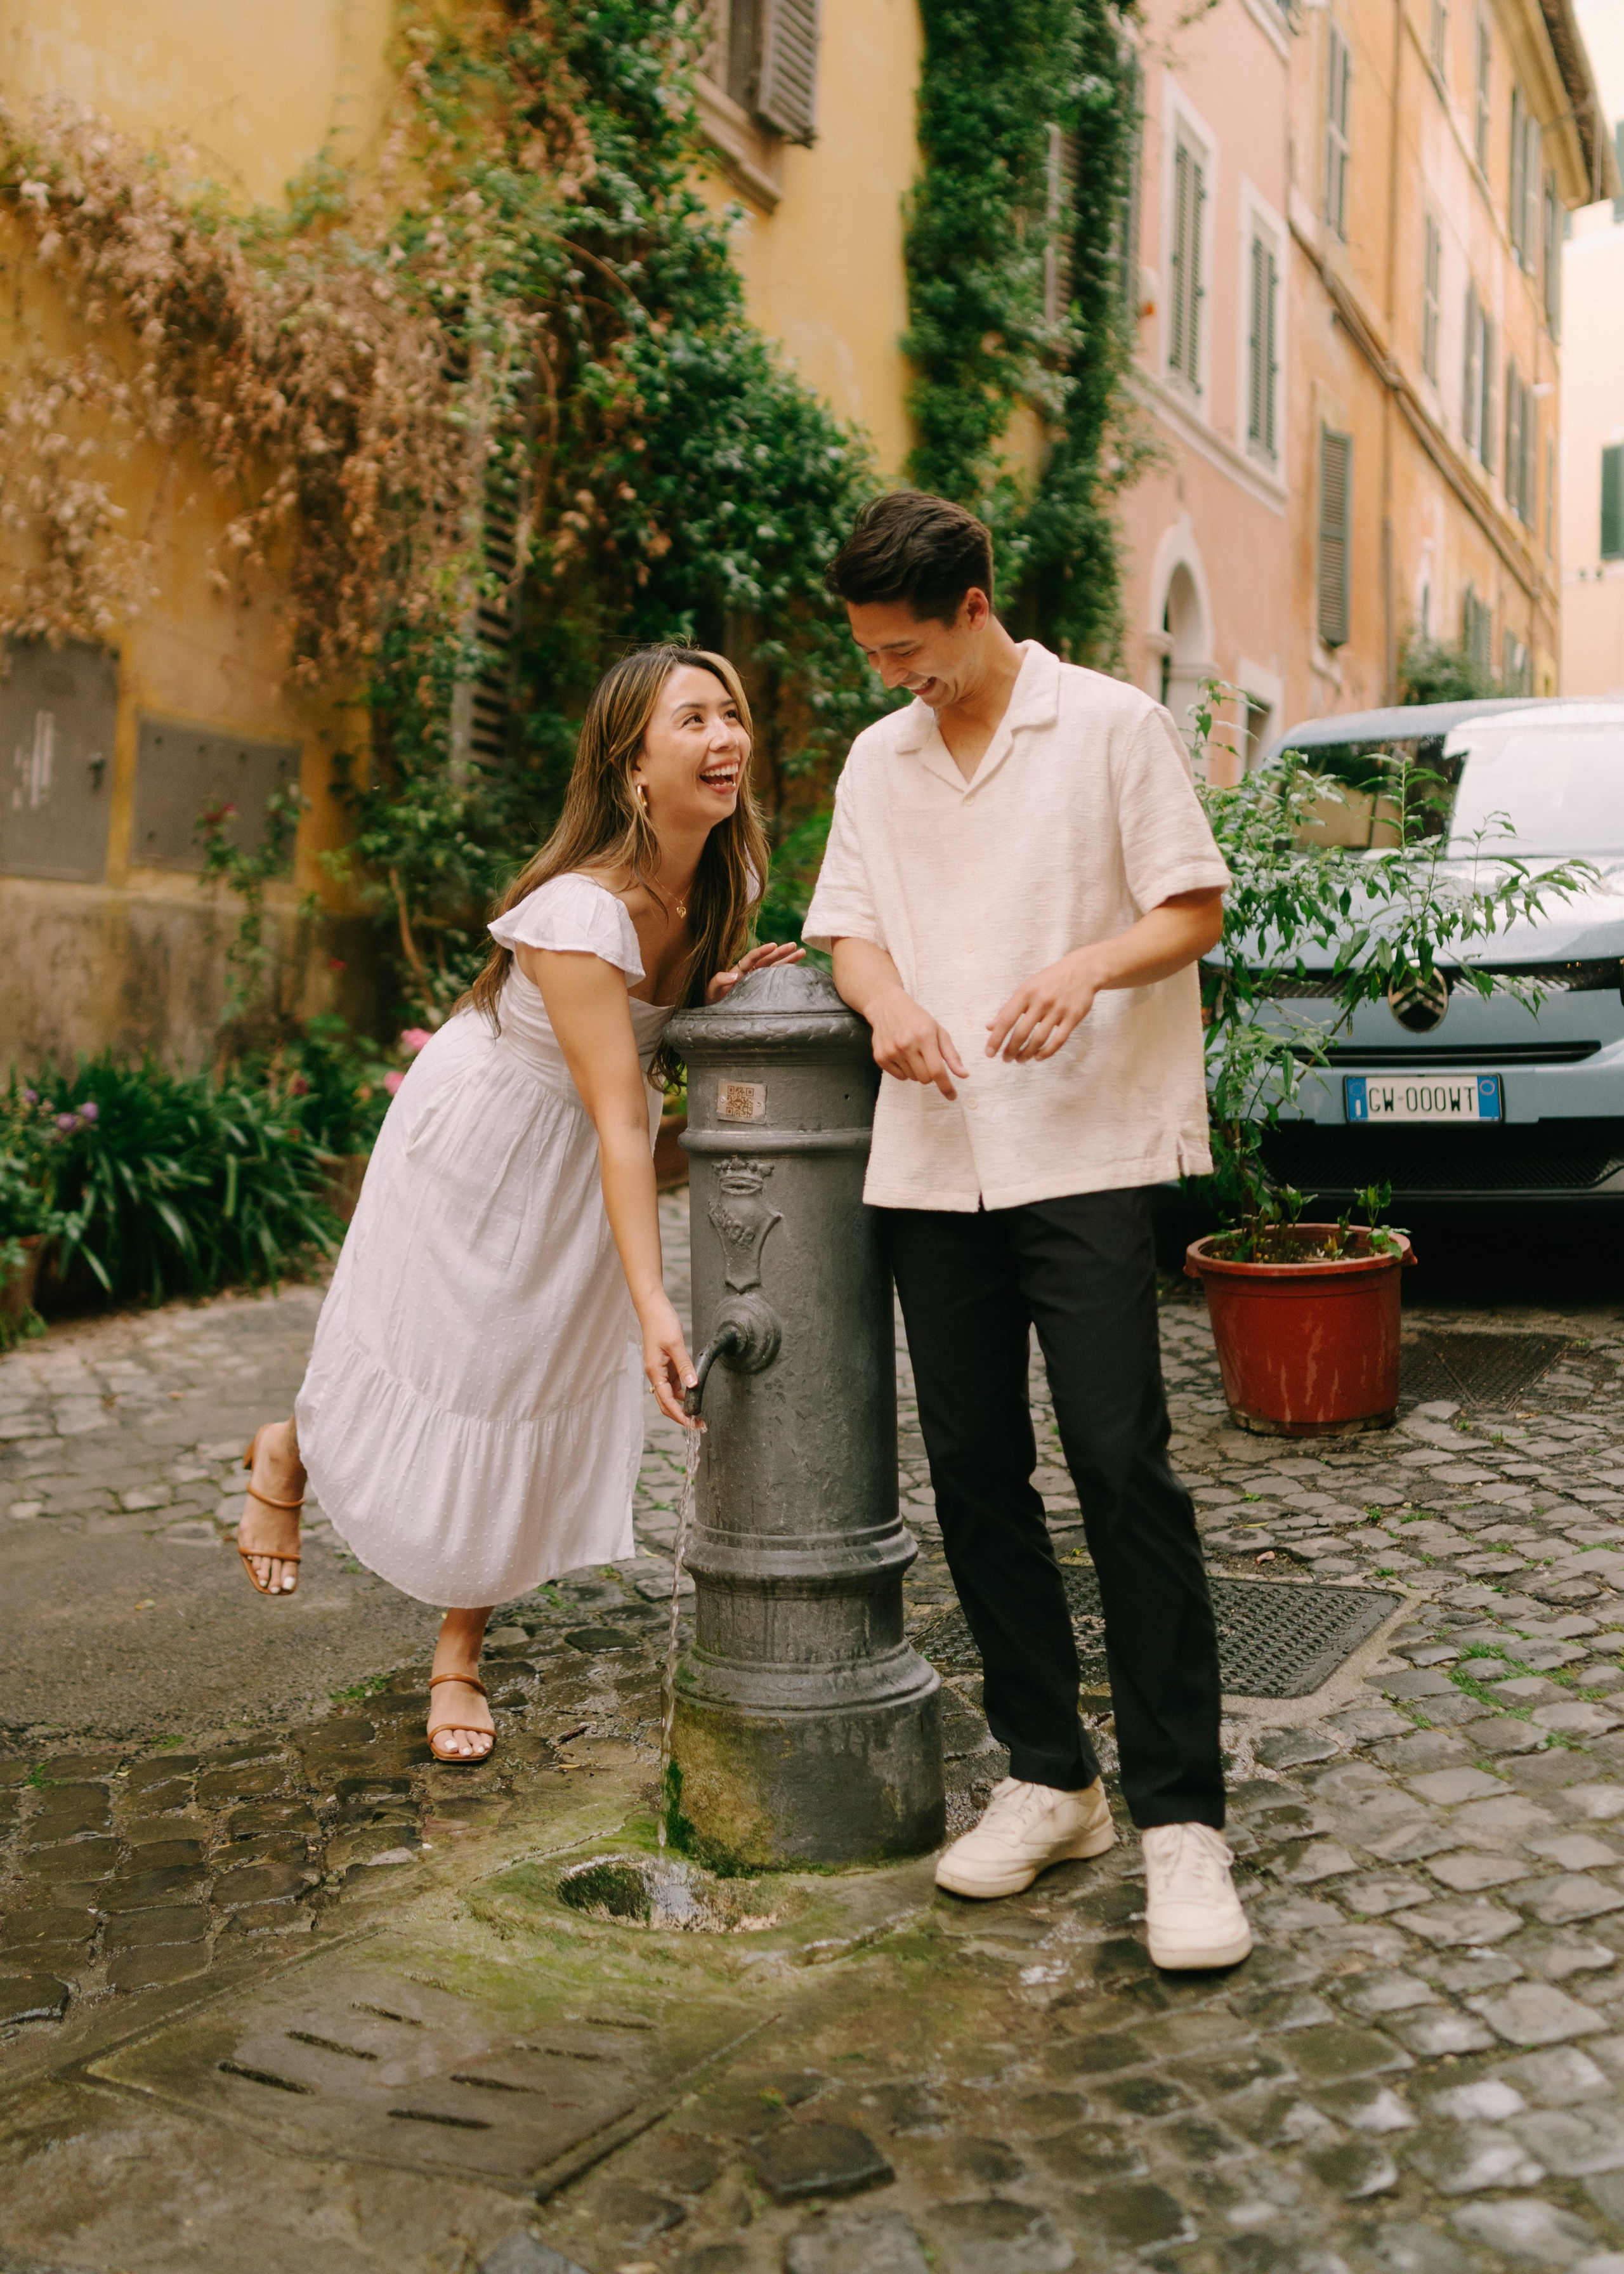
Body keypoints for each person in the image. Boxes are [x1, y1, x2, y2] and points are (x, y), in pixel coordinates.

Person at [803, 491, 1249, 1971]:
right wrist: (887, 1006)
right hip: (933, 1156)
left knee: (1121, 1460)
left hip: (1086, 1146)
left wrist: (1084, 962)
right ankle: (1050, 1776)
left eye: (908, 647)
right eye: (872, 653)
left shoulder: (1113, 725)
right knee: (975, 1470)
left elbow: (1193, 905)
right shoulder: (878, 758)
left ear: (976, 602)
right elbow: (848, 924)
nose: (892, 677)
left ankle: (1182, 1819)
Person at [238, 645, 802, 1762]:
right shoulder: (578, 912)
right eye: (692, 719)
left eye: (730, 714)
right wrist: (656, 1300)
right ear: (634, 766)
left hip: (588, 1151)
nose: (725, 737)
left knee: (524, 1375)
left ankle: (459, 1652)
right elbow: (621, 1115)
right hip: (490, 1136)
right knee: (453, 1351)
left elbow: (647, 1069)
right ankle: (291, 1447)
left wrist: (714, 1002)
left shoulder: (727, 887)